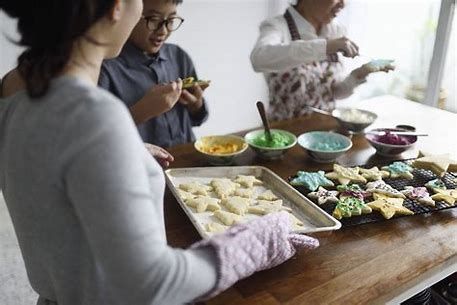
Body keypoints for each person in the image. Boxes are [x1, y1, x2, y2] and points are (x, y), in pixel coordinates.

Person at [0, 1, 318, 305]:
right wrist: (256, 243)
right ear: (116, 6)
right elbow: (153, 283)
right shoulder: (95, 116)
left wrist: (125, 148)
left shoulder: (13, 94)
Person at [250, 0, 394, 121]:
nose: (343, 4)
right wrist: (325, 46)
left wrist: (362, 72)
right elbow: (259, 58)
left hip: (324, 133)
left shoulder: (335, 30)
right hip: (284, 134)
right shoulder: (277, 27)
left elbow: (333, 93)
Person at [99, 0, 208, 148]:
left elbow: (198, 119)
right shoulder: (106, 69)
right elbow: (101, 138)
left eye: (171, 20)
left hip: (188, 156)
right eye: (154, 19)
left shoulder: (179, 56)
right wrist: (142, 111)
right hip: (143, 166)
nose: (163, 31)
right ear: (130, 14)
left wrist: (196, 105)